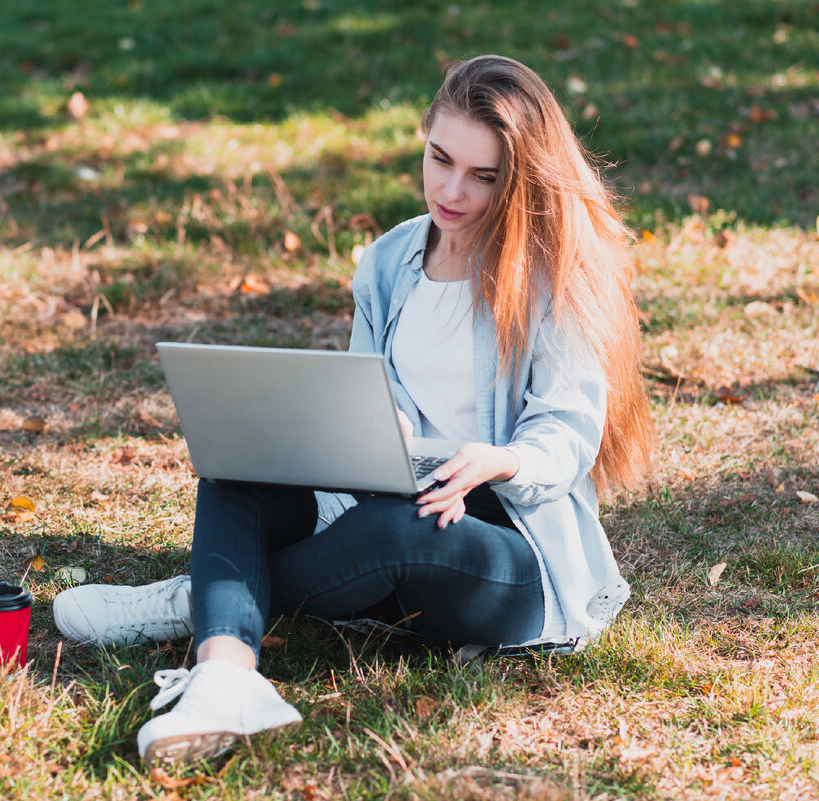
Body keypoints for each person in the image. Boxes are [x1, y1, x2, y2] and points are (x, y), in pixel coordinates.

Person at [53, 54, 654, 766]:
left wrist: (500, 459)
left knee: (394, 528)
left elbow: (568, 430)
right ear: (425, 137)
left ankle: (205, 597)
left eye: (483, 176)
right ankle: (226, 678)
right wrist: (371, 429)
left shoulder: (552, 276)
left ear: (518, 179)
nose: (452, 190)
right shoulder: (389, 260)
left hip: (503, 542)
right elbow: (368, 391)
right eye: (440, 159)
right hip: (387, 492)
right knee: (236, 469)